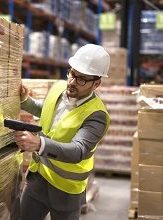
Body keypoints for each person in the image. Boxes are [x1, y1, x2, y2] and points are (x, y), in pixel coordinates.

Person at [14, 43, 110, 220]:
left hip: (66, 189)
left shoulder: (97, 115)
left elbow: (78, 150)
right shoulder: (59, 88)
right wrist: (25, 101)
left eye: (82, 79)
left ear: (96, 83)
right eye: (72, 73)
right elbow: (46, 110)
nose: (73, 82)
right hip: (38, 178)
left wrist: (38, 143)